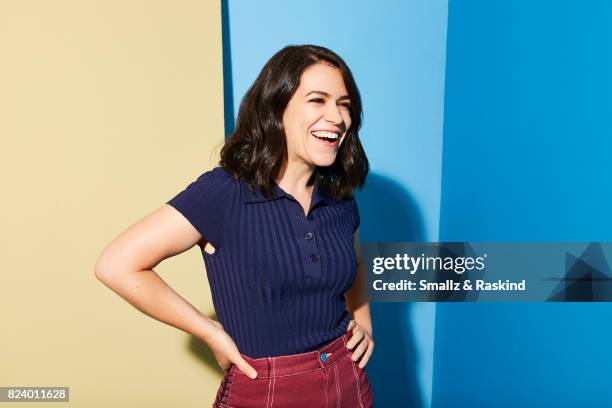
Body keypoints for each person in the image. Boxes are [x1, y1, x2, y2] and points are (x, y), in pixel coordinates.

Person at [94, 44, 374, 407]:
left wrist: (364, 322)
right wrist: (210, 332)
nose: (336, 117)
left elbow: (357, 263)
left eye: (344, 104)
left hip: (346, 378)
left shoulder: (339, 197)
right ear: (278, 108)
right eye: (317, 100)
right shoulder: (225, 192)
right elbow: (116, 265)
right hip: (265, 387)